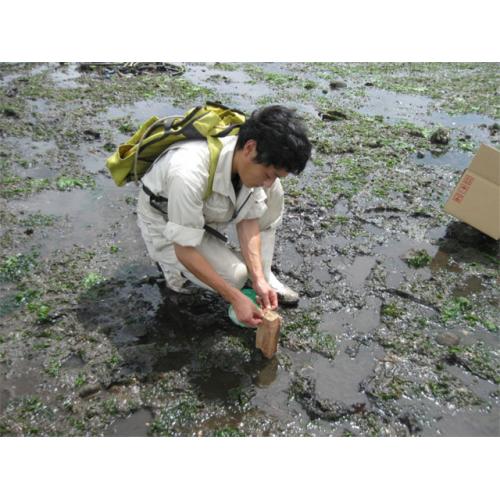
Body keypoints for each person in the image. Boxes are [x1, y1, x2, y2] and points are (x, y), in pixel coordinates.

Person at [137, 105, 312, 327]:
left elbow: (249, 220)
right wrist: (234, 297)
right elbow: (184, 249)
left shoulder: (246, 159)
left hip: (204, 208)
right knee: (235, 277)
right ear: (250, 147)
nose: (268, 182)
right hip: (164, 221)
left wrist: (258, 278)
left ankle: (264, 278)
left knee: (274, 192)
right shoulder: (188, 173)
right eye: (268, 174)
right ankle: (174, 274)